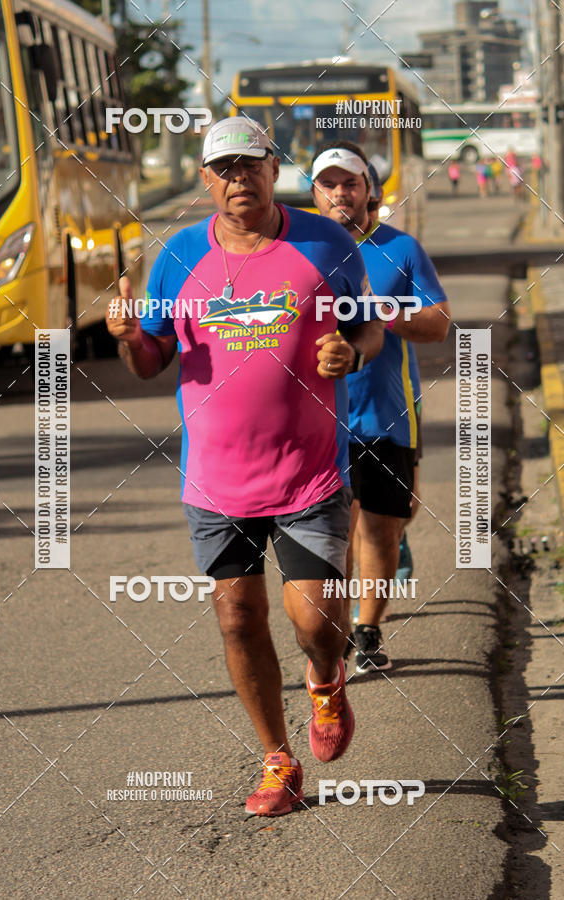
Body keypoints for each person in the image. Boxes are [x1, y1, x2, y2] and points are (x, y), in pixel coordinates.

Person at [106, 117, 384, 816]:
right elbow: (151, 361)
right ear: (206, 179)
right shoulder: (176, 256)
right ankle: (278, 762)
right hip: (215, 478)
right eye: (224, 168)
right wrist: (127, 336)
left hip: (307, 469)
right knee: (236, 617)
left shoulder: (325, 242)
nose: (239, 178)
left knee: (315, 620)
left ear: (273, 167)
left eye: (251, 164)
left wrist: (352, 354)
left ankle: (326, 679)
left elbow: (369, 326)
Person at [311, 140, 451, 673]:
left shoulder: (402, 249)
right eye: (329, 184)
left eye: (351, 183)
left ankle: (367, 630)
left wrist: (385, 311)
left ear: (371, 190)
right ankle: (339, 624)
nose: (340, 193)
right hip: (320, 416)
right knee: (334, 530)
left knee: (384, 524)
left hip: (388, 409)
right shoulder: (298, 249)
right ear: (315, 194)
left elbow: (438, 324)